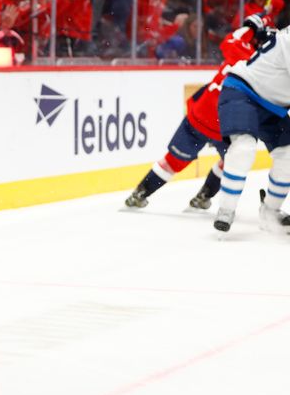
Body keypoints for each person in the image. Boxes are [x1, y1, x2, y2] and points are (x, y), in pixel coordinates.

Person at [124, 14, 267, 211]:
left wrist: (250, 26)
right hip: (225, 124)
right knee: (232, 161)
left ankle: (140, 192)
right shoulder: (262, 66)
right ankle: (203, 196)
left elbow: (230, 40)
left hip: (200, 114)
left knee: (173, 160)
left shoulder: (240, 51)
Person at [214, 19, 290, 233]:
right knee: (244, 146)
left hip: (274, 106)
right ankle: (226, 210)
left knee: (288, 154)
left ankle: (271, 213)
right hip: (242, 90)